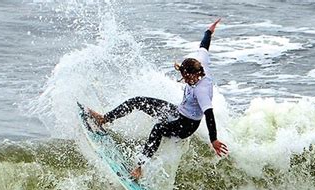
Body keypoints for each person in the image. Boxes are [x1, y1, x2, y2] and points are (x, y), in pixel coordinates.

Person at [89, 18, 228, 179]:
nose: (183, 79)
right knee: (138, 101)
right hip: (177, 111)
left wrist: (214, 140)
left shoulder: (202, 90)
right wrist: (209, 31)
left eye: (185, 76)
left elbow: (209, 114)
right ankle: (104, 119)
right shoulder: (200, 63)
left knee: (158, 129)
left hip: (187, 125)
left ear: (194, 74)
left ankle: (139, 168)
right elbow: (204, 46)